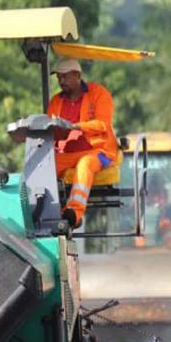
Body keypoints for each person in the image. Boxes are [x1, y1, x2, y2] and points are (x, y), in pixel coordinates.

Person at [46, 59, 119, 228]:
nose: (61, 81)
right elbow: (52, 132)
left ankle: (74, 213)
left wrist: (76, 126)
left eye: (65, 77)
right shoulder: (56, 101)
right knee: (44, 166)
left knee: (85, 164)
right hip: (67, 153)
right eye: (59, 77)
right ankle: (43, 211)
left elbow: (102, 124)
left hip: (98, 152)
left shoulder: (98, 93)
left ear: (77, 76)